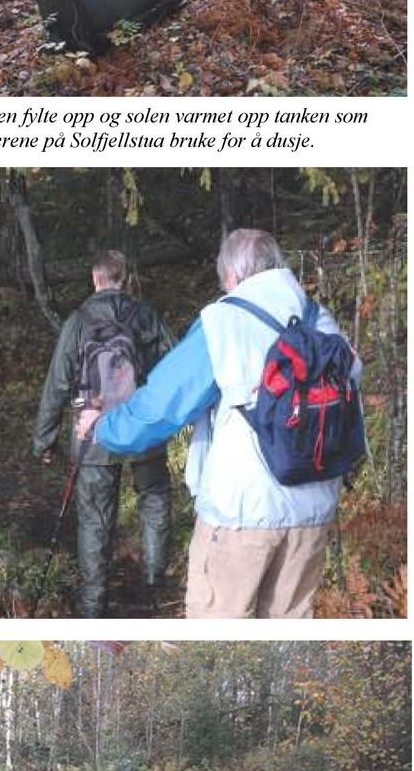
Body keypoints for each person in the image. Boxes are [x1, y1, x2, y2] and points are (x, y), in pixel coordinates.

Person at [79, 229, 360, 618]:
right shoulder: (322, 321)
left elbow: (159, 409)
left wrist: (103, 426)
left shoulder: (224, 322)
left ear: (231, 276)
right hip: (314, 513)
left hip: (240, 516)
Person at [33, 248, 174, 616]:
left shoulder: (78, 322)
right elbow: (172, 370)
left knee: (95, 518)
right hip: (144, 427)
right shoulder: (146, 316)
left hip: (92, 429)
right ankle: (153, 588)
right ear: (125, 279)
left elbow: (58, 384)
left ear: (95, 279)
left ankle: (94, 604)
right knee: (154, 499)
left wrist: (44, 440)